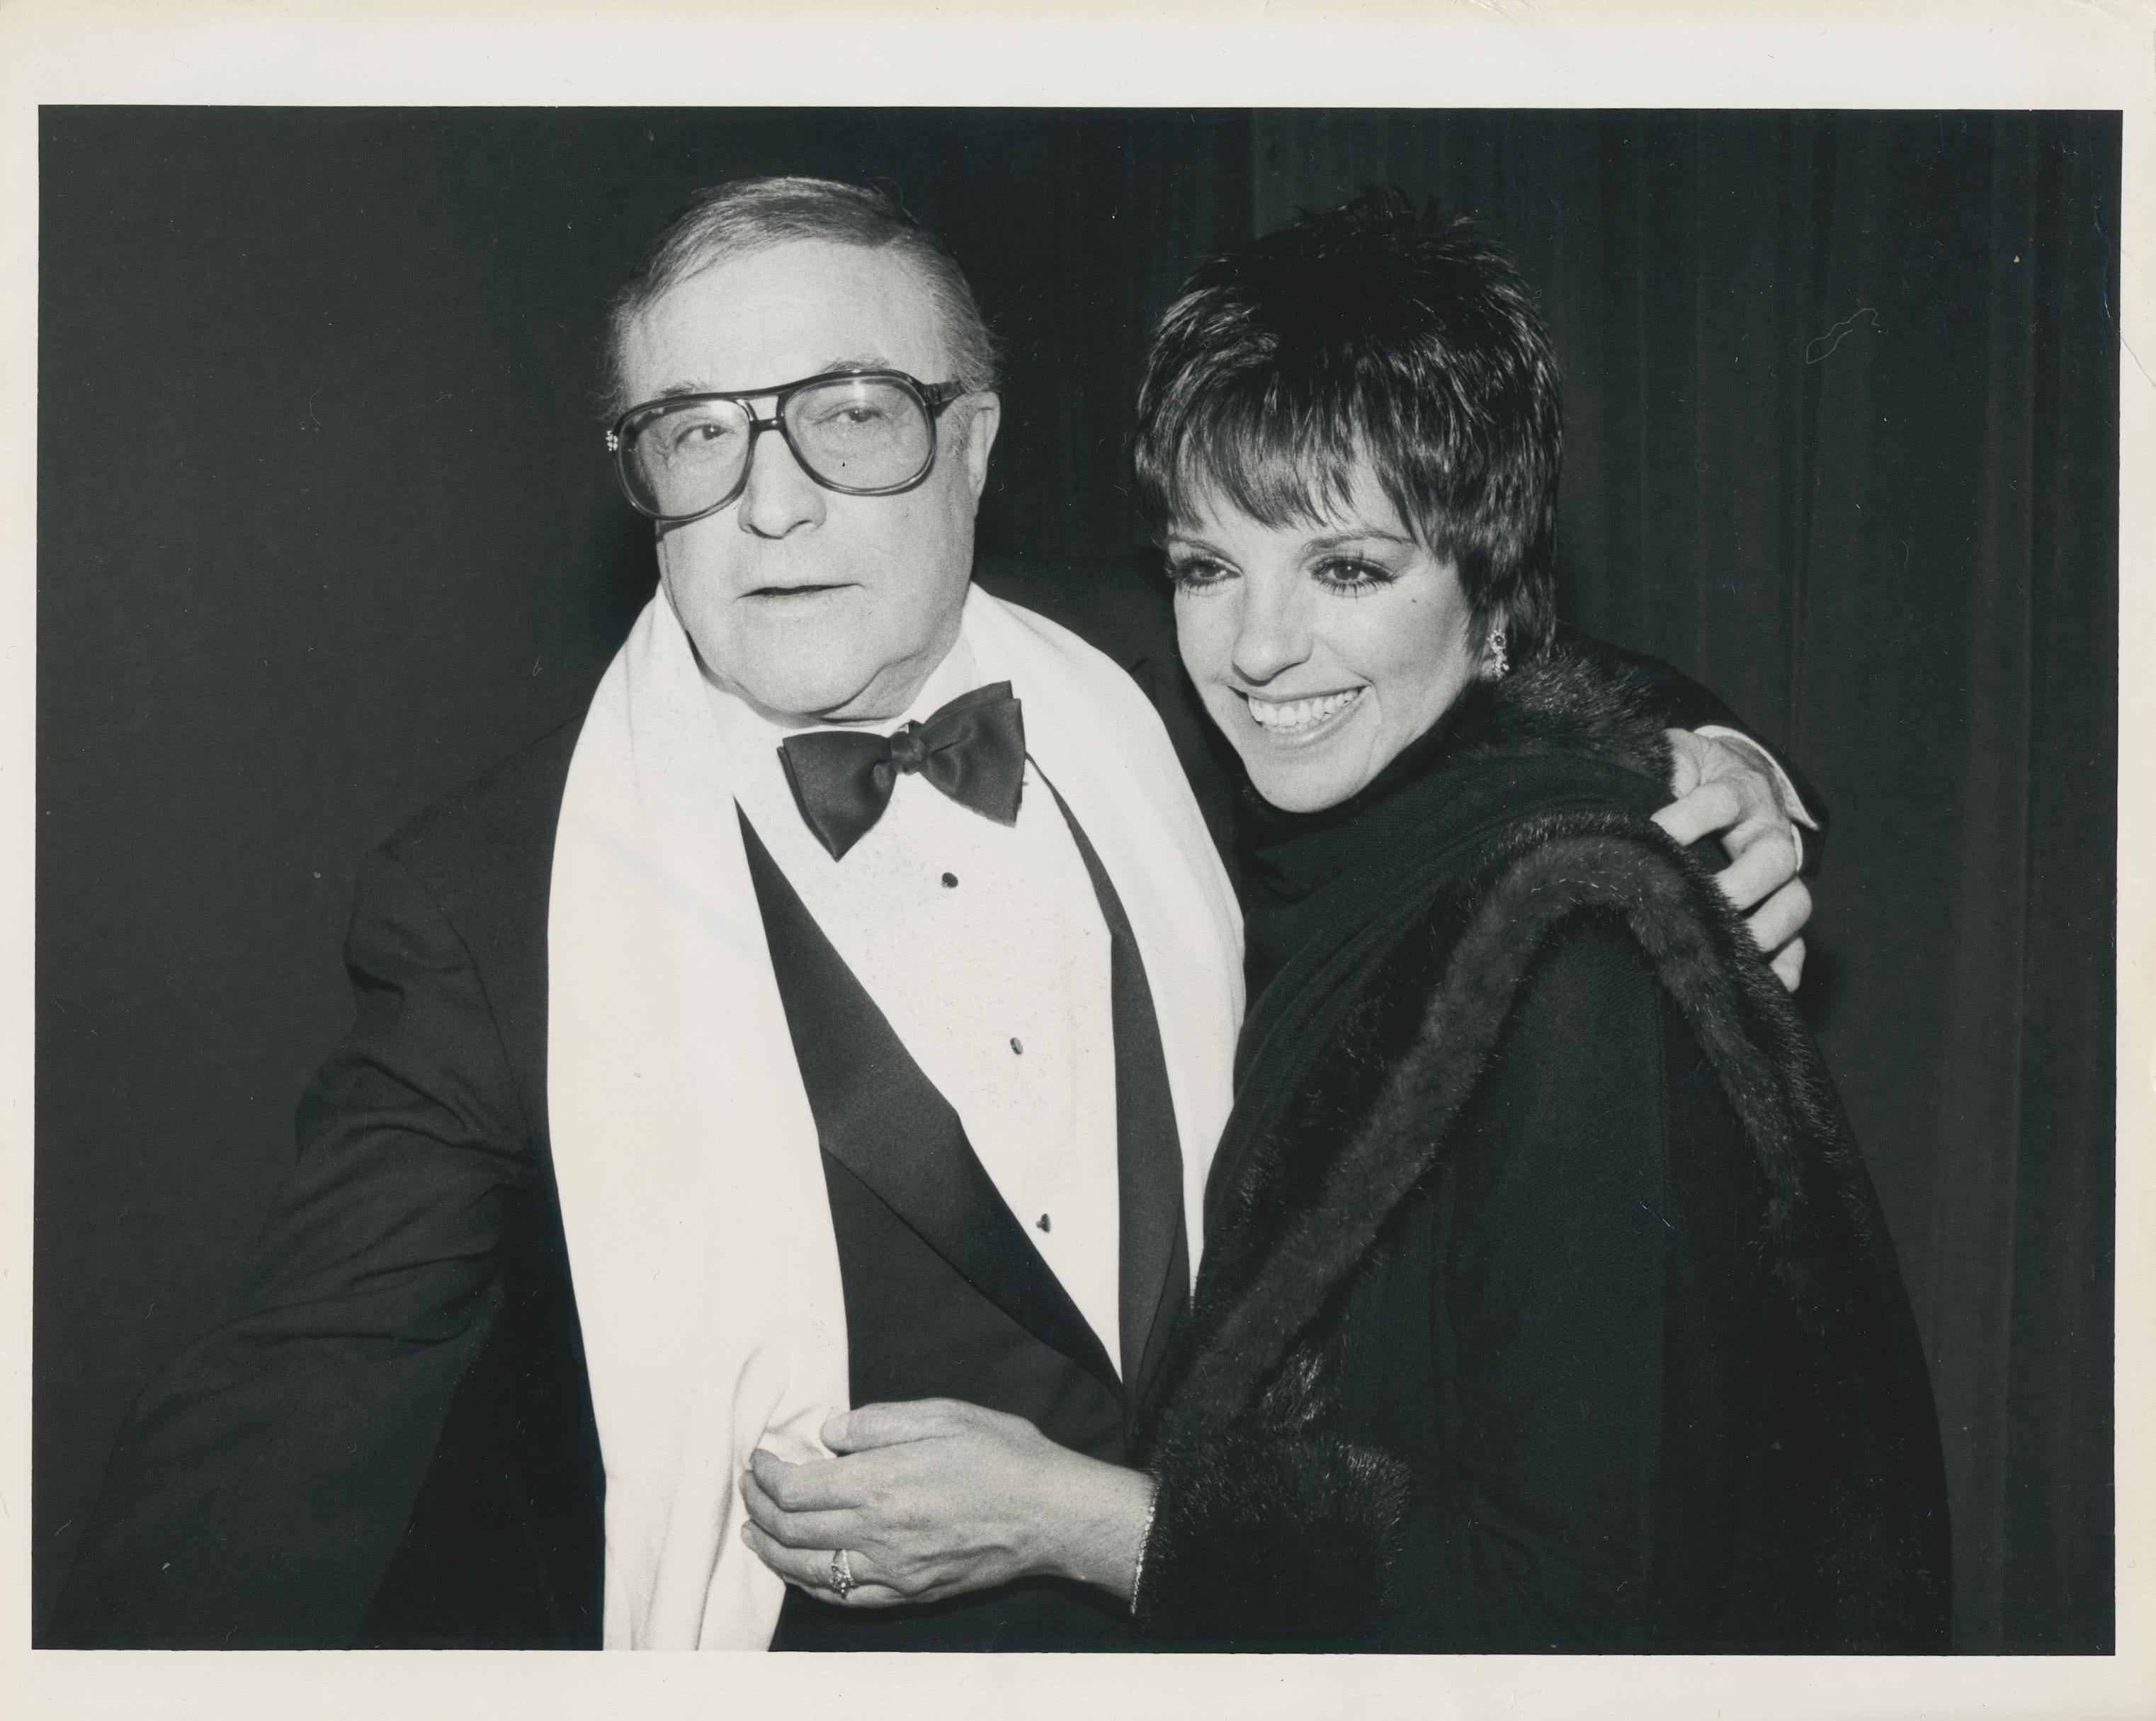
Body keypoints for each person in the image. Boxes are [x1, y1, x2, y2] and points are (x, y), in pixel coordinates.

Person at [50, 178, 1819, 1652]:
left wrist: (1692, 744)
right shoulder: (492, 898)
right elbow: (294, 1407)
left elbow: (1437, 648)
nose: (771, 497)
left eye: (847, 413)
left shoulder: (1175, 665)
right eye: (694, 434)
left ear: (971, 444)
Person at [734, 192, 1950, 1652]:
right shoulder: (1236, 771)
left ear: (1491, 582)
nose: (1255, 651)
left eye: (1349, 570)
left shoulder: (1572, 957)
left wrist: (1076, 1518)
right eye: (1207, 566)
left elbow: (1578, 1612)